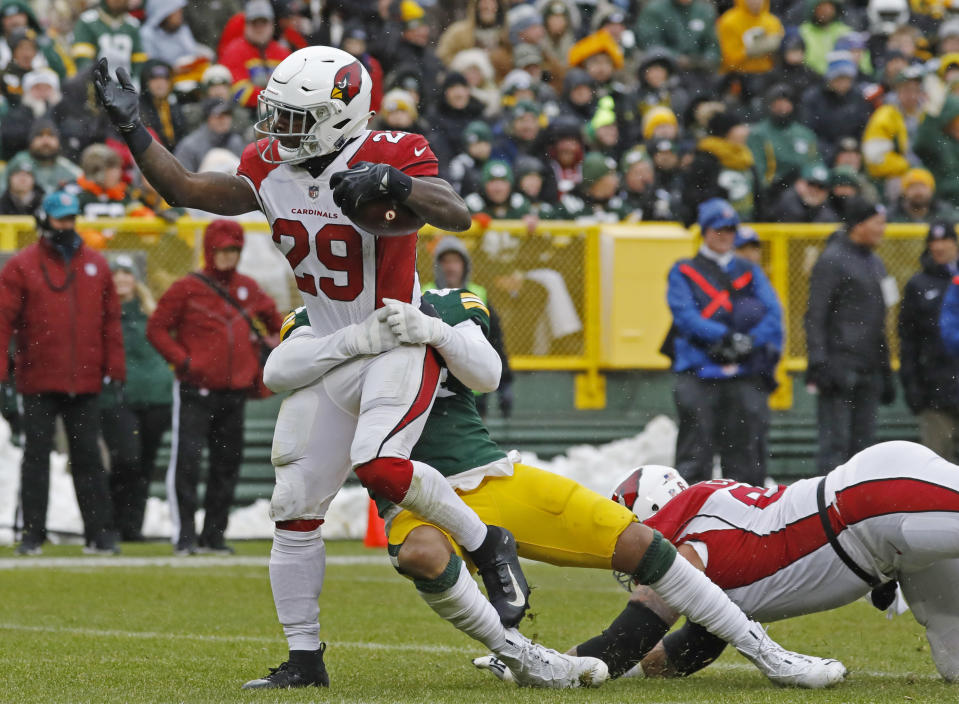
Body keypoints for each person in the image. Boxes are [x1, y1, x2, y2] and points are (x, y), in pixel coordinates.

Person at [93, 45, 530, 689]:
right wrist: (135, 130)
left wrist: (395, 185)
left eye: (296, 117)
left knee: (379, 466)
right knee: (294, 505)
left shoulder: (390, 150)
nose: (279, 131)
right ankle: (303, 659)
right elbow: (184, 188)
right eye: (278, 115)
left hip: (390, 340)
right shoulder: (269, 162)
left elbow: (457, 214)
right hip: (327, 349)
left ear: (340, 114)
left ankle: (489, 543)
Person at [265, 289, 847, 690]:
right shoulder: (318, 315)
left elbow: (485, 372)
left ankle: (767, 652)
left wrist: (431, 328)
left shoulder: (443, 302)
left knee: (641, 546)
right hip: (411, 492)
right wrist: (352, 340)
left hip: (489, 473)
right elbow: (277, 372)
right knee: (420, 555)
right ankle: (525, 656)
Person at [480, 441, 959, 683]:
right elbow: (692, 648)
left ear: (648, 517)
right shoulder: (713, 532)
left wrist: (541, 663)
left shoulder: (689, 543)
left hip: (869, 507)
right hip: (881, 530)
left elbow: (624, 641)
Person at [146, 219, 283, 555]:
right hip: (196, 390)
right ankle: (186, 536)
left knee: (227, 464)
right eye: (223, 250)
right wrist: (185, 362)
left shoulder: (248, 288)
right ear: (210, 250)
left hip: (234, 391)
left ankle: (214, 535)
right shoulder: (187, 288)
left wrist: (270, 346)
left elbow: (277, 322)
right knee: (188, 463)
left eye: (234, 250)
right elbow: (157, 329)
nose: (228, 257)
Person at [0, 190, 124, 555]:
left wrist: (114, 370)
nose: (67, 226)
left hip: (83, 380)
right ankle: (32, 534)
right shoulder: (21, 266)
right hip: (37, 379)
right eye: (60, 219)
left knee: (88, 459)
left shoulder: (96, 265)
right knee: (35, 459)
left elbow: (111, 322)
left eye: (71, 218)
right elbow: (3, 322)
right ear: (44, 220)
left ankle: (99, 533)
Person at [665, 198, 783, 486]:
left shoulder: (748, 269)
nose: (725, 235)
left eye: (730, 229)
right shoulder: (683, 270)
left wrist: (748, 342)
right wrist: (723, 337)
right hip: (698, 370)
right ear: (705, 231)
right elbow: (684, 315)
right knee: (695, 455)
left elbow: (773, 312)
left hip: (743, 372)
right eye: (718, 229)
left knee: (746, 460)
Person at [805, 198, 897, 475]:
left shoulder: (874, 260)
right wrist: (820, 362)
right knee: (835, 445)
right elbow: (815, 315)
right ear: (859, 225)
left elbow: (880, 318)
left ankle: (859, 513)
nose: (883, 229)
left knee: (864, 449)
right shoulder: (833, 259)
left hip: (868, 366)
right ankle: (828, 514)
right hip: (840, 366)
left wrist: (884, 367)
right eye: (877, 223)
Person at [101, 254, 173, 542]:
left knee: (144, 464)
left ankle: (132, 528)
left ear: (135, 278)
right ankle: (112, 522)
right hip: (120, 397)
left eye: (126, 273)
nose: (121, 278)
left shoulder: (152, 313)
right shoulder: (101, 313)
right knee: (126, 461)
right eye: (115, 273)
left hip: (156, 397)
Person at [425, 235, 514, 419]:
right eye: (445, 261)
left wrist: (505, 383)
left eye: (455, 261)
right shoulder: (425, 293)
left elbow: (495, 341)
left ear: (464, 265)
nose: (450, 267)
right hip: (435, 389)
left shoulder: (478, 294)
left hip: (473, 388)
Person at [900, 222, 959, 462]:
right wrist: (912, 384)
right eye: (934, 242)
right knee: (937, 466)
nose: (939, 246)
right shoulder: (918, 284)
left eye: (945, 240)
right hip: (936, 387)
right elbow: (908, 340)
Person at [218, 0, 291, 108]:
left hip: (280, 109)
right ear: (246, 25)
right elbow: (239, 91)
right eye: (254, 23)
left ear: (272, 24)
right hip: (247, 112)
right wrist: (270, 99)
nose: (259, 28)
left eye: (263, 22)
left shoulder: (282, 52)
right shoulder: (234, 51)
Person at [71, 0, 146, 80]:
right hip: (98, 82)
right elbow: (83, 59)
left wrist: (135, 81)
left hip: (125, 84)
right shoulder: (88, 21)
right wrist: (92, 81)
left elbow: (138, 60)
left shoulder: (132, 24)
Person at [3, 119, 80, 195]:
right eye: (40, 135)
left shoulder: (65, 166)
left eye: (51, 135)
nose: (45, 140)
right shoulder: (20, 162)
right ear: (31, 141)